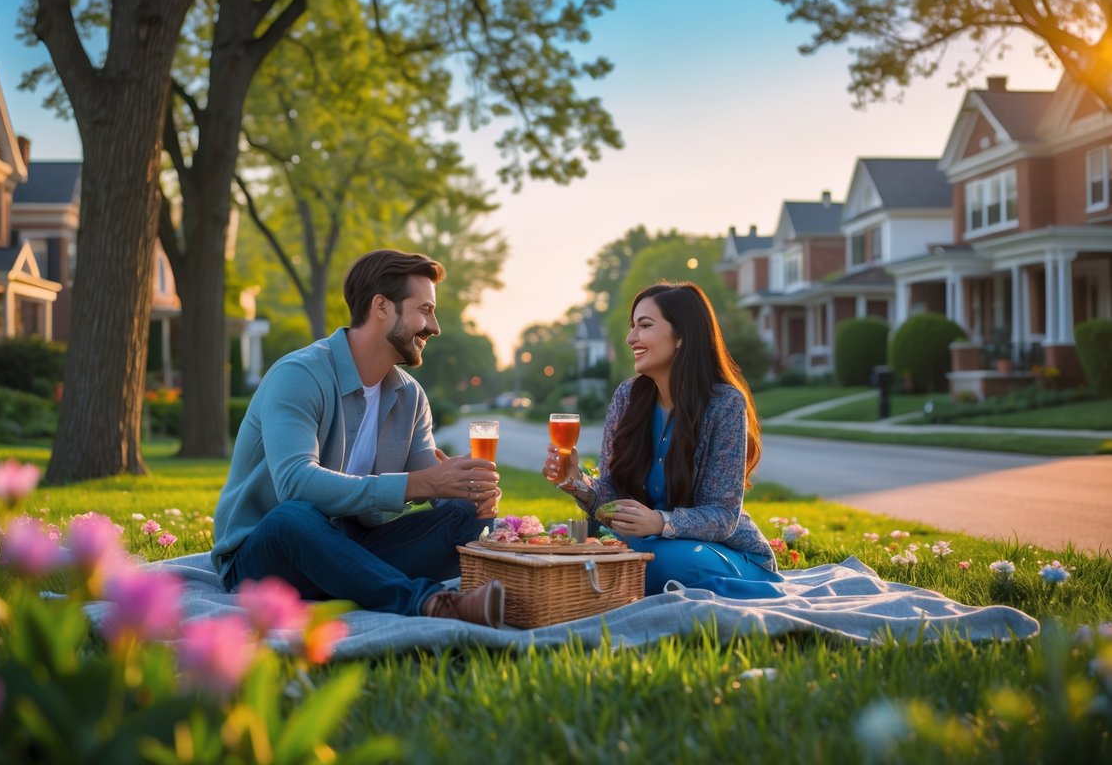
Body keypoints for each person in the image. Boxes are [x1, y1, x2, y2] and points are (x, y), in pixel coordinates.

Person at [212, 249, 506, 627]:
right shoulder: (299, 375)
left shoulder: (410, 396)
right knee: (293, 516)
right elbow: (295, 483)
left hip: (352, 546)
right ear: (381, 307)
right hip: (267, 556)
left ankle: (356, 581)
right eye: (425, 310)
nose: (434, 327)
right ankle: (429, 602)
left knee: (465, 516)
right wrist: (418, 483)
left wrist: (468, 489)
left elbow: (430, 482)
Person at [543, 281, 782, 597]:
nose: (631, 338)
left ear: (681, 336)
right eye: (632, 327)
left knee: (655, 562)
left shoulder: (724, 404)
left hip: (720, 552)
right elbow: (612, 495)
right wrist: (576, 481)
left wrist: (659, 522)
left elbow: (722, 516)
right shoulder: (627, 397)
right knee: (587, 548)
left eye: (644, 326)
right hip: (646, 544)